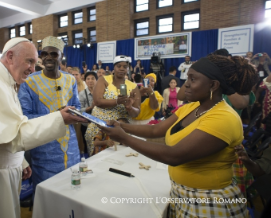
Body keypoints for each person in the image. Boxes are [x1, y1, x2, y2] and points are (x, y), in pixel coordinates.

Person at [99, 55, 258, 217]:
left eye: (193, 79)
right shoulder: (192, 107)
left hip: (210, 200)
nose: (186, 84)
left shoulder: (224, 118)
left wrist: (124, 137)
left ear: (213, 85)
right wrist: (121, 126)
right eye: (187, 77)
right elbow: (156, 130)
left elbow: (174, 155)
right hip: (182, 193)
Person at [0, 37, 86, 218]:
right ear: (10, 57)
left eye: (34, 62)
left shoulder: (4, 81)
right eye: (29, 61)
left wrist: (20, 161)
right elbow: (11, 136)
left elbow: (6, 128)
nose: (33, 68)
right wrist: (59, 118)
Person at [18, 36, 85, 195]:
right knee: (47, 195)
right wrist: (57, 116)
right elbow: (24, 117)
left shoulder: (70, 80)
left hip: (71, 147)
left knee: (72, 192)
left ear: (61, 57)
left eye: (53, 54)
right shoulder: (29, 82)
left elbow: (78, 106)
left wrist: (74, 112)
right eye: (44, 54)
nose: (48, 57)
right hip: (44, 149)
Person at [85, 55, 141, 156]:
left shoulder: (133, 86)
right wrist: (117, 101)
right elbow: (97, 101)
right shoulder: (104, 80)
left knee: (118, 159)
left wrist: (129, 107)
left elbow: (136, 112)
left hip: (121, 128)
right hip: (99, 126)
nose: (122, 69)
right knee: (97, 159)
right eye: (119, 66)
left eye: (125, 66)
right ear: (114, 67)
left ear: (128, 68)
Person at [79, 71, 98, 154]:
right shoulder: (82, 93)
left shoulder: (101, 92)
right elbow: (79, 109)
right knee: (87, 147)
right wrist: (90, 107)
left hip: (99, 124)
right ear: (85, 81)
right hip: (86, 124)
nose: (90, 81)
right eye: (88, 79)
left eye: (93, 78)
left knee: (98, 145)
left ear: (96, 80)